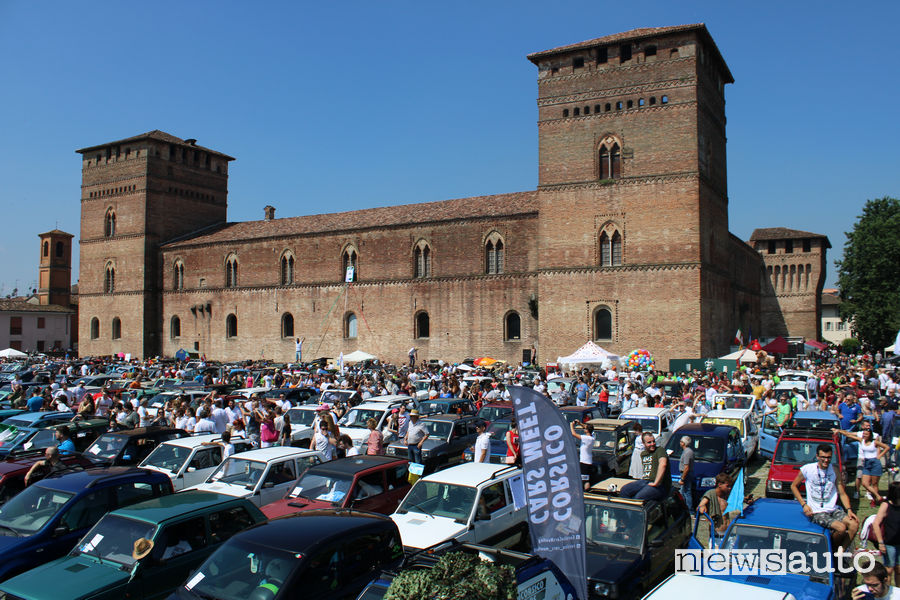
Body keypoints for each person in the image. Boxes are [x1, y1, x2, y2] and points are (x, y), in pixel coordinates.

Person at [790, 443, 859, 550]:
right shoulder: (807, 469)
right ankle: (831, 550)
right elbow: (794, 486)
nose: (826, 460)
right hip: (816, 511)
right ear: (817, 456)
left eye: (829, 458)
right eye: (823, 457)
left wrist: (849, 509)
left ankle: (841, 551)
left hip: (832, 509)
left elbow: (842, 493)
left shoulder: (835, 470)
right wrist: (804, 505)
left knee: (854, 525)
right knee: (841, 528)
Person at [836, 427, 889, 505]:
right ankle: (878, 496)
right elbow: (849, 435)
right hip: (866, 462)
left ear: (870, 435)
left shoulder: (875, 442)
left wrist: (879, 455)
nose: (864, 435)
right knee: (865, 483)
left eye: (866, 434)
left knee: (874, 483)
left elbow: (887, 447)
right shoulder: (862, 441)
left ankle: (874, 501)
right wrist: (839, 430)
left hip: (875, 462)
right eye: (864, 434)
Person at [620, 432, 669, 501]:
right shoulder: (643, 454)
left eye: (653, 441)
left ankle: (636, 511)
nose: (652, 444)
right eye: (649, 442)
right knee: (624, 491)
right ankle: (627, 511)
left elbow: (663, 464)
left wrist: (656, 482)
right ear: (643, 443)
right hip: (645, 481)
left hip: (660, 485)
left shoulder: (660, 450)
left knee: (638, 499)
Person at [873, 481, 900, 586]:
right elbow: (876, 523)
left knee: (899, 569)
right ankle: (887, 591)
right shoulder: (886, 505)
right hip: (889, 543)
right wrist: (881, 543)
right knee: (889, 569)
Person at [570, 420, 595, 490]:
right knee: (586, 478)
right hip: (588, 461)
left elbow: (574, 434)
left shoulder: (587, 438)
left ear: (587, 430)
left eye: (585, 428)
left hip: (584, 462)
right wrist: (579, 423)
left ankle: (585, 491)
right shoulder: (592, 437)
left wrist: (571, 426)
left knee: (584, 480)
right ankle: (587, 491)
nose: (584, 428)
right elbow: (587, 428)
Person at [678, 435, 695, 510]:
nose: (680, 443)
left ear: (684, 443)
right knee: (682, 492)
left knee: (686, 492)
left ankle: (690, 510)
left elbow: (686, 467)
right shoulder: (686, 451)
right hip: (685, 473)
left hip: (686, 474)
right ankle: (684, 508)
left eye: (681, 441)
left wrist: (682, 479)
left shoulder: (687, 452)